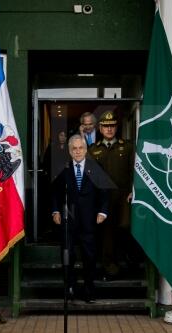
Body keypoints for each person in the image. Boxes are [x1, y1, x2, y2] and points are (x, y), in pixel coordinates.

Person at [51, 134, 111, 303]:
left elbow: (105, 192)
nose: (78, 152)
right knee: (67, 254)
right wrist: (55, 211)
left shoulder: (95, 167)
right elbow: (55, 192)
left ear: (86, 149)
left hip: (89, 219)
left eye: (81, 148)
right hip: (68, 218)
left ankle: (89, 290)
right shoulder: (64, 168)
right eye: (74, 149)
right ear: (70, 151)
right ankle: (70, 287)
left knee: (89, 256)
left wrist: (103, 212)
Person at [88, 110, 135, 280]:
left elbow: (134, 171)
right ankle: (110, 268)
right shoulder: (93, 150)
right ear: (100, 128)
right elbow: (90, 176)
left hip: (124, 197)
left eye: (112, 126)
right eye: (106, 126)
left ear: (117, 127)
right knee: (107, 234)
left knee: (125, 227)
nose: (109, 129)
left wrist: (133, 190)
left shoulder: (128, 146)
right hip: (103, 199)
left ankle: (129, 260)